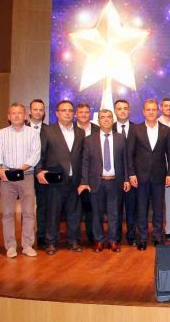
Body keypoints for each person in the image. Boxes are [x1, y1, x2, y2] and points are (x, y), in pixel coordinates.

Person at [36, 100, 85, 255]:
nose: (67, 113)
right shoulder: (48, 131)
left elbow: (82, 157)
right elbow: (40, 153)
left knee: (74, 212)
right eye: (64, 110)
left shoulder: (80, 132)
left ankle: (73, 241)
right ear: (57, 113)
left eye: (70, 110)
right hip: (55, 179)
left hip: (74, 180)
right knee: (53, 212)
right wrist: (38, 170)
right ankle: (51, 242)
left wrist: (83, 179)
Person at [78, 109, 129, 253]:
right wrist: (84, 182)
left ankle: (113, 241)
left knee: (114, 214)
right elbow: (85, 162)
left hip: (115, 182)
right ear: (98, 120)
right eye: (103, 117)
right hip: (96, 182)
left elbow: (125, 160)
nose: (106, 119)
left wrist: (126, 178)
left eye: (108, 117)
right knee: (96, 214)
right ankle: (99, 240)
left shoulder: (120, 138)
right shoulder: (89, 139)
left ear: (112, 120)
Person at [0, 103, 41, 258]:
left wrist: (20, 170)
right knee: (7, 214)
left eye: (19, 113)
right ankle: (10, 246)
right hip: (6, 176)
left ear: (25, 116)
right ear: (9, 116)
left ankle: (27, 245)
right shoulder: (2, 133)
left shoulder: (32, 133)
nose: (16, 116)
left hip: (26, 175)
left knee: (28, 213)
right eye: (13, 113)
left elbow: (35, 155)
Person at [127, 99, 170, 250]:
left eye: (154, 109)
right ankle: (142, 238)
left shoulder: (166, 130)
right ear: (143, 112)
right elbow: (129, 154)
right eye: (148, 109)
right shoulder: (135, 129)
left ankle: (157, 237)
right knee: (141, 209)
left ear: (158, 111)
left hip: (159, 176)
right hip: (140, 177)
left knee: (158, 209)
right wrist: (131, 173)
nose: (151, 112)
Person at [112, 99, 138, 246]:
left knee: (131, 208)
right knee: (115, 209)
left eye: (125, 108)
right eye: (119, 108)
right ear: (115, 111)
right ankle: (115, 237)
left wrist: (133, 174)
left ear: (129, 110)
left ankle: (131, 236)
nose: (122, 111)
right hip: (114, 176)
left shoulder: (138, 129)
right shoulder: (108, 128)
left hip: (133, 176)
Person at [27, 99, 50, 249]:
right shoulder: (21, 128)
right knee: (27, 208)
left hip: (42, 174)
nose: (38, 112)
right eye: (35, 109)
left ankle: (41, 236)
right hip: (25, 174)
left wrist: (40, 171)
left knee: (43, 206)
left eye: (41, 110)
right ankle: (26, 238)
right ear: (30, 111)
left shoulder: (49, 130)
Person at [75, 102, 98, 244]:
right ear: (76, 114)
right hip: (75, 173)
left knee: (91, 207)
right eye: (81, 112)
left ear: (90, 114)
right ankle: (74, 237)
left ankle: (92, 236)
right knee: (75, 207)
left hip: (93, 174)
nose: (84, 115)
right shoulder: (70, 129)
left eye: (86, 112)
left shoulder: (97, 129)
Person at [158, 98, 170, 241]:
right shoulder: (155, 123)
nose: (168, 108)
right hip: (159, 168)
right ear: (161, 107)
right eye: (166, 106)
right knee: (160, 203)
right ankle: (162, 230)